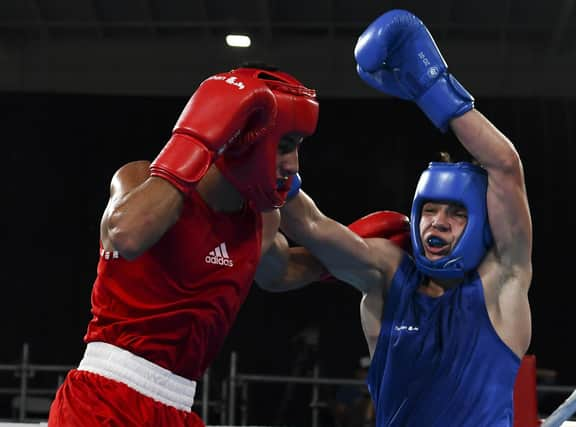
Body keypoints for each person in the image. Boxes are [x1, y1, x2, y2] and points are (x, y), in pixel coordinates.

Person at [277, 9, 533, 426]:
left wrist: (434, 88)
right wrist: (271, 163)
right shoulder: (387, 276)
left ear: (483, 225)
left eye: (456, 213)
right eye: (429, 210)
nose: (438, 222)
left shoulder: (501, 284)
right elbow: (311, 226)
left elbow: (505, 167)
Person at [47, 64, 327, 427]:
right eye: (284, 146)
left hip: (178, 407)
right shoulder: (140, 179)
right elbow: (126, 233)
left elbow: (282, 270)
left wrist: (378, 254)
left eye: (297, 147)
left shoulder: (258, 221)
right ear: (240, 137)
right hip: (105, 399)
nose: (293, 164)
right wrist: (198, 138)